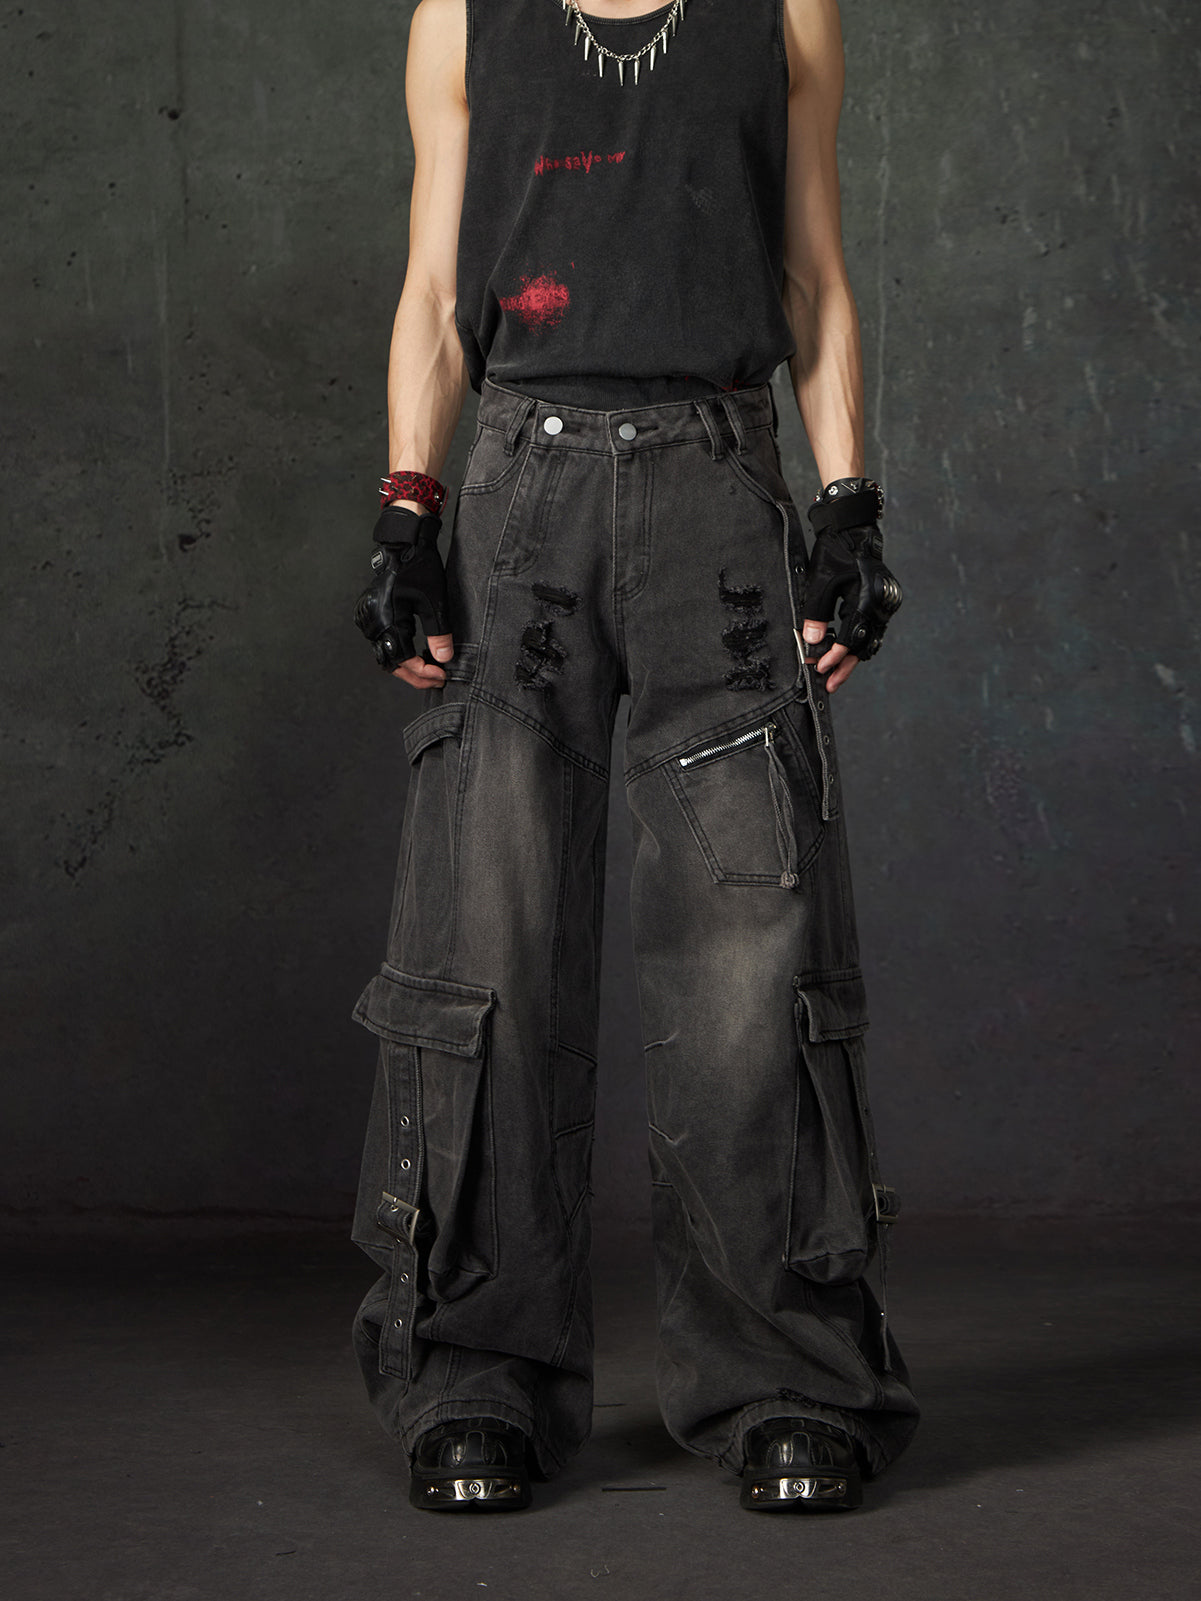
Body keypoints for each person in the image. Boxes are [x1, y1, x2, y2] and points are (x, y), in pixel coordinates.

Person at [348, 0, 918, 1515]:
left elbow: (811, 271)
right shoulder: (465, 16)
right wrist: (407, 511)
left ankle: (786, 1374)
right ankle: (478, 1371)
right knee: (489, 938)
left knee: (751, 948)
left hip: (719, 488)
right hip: (521, 499)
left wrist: (850, 507)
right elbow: (434, 288)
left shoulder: (781, 9)